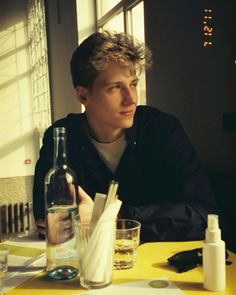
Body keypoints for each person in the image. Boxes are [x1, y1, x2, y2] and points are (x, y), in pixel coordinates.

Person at [33, 31, 217, 242]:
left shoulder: (163, 131)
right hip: (87, 268)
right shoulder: (61, 138)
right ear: (83, 95)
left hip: (161, 268)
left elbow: (203, 214)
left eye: (133, 84)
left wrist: (106, 219)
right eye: (115, 88)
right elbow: (47, 222)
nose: (131, 99)